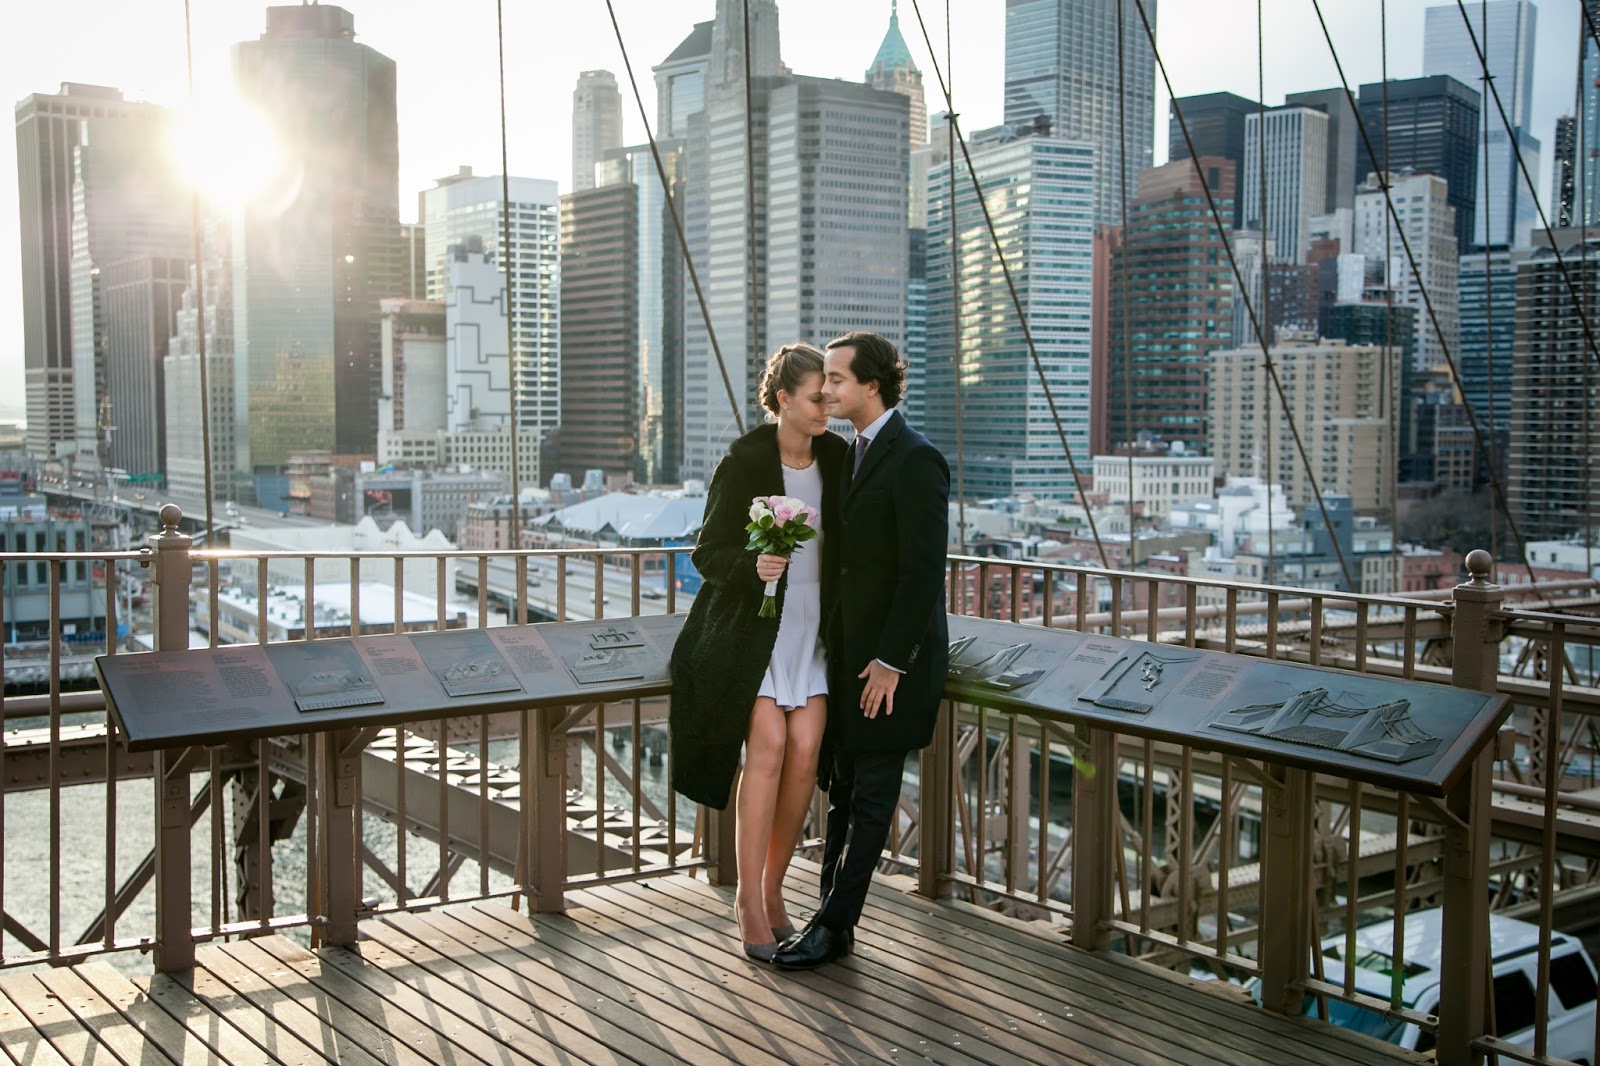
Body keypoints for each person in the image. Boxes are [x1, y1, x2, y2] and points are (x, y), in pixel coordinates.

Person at [774, 331, 950, 971]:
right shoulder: (849, 455)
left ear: (872, 385)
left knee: (873, 794)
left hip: (890, 667)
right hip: (849, 658)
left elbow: (923, 571)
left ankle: (833, 926)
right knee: (845, 790)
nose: (827, 390)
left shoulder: (916, 459)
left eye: (838, 380)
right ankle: (831, 924)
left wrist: (891, 661)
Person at [667, 343, 848, 961]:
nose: (828, 405)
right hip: (756, 636)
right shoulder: (745, 460)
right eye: (816, 395)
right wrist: (754, 566)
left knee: (805, 754)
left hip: (816, 635)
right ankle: (748, 899)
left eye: (830, 393)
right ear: (783, 401)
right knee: (768, 746)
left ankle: (773, 889)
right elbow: (706, 551)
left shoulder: (838, 458)